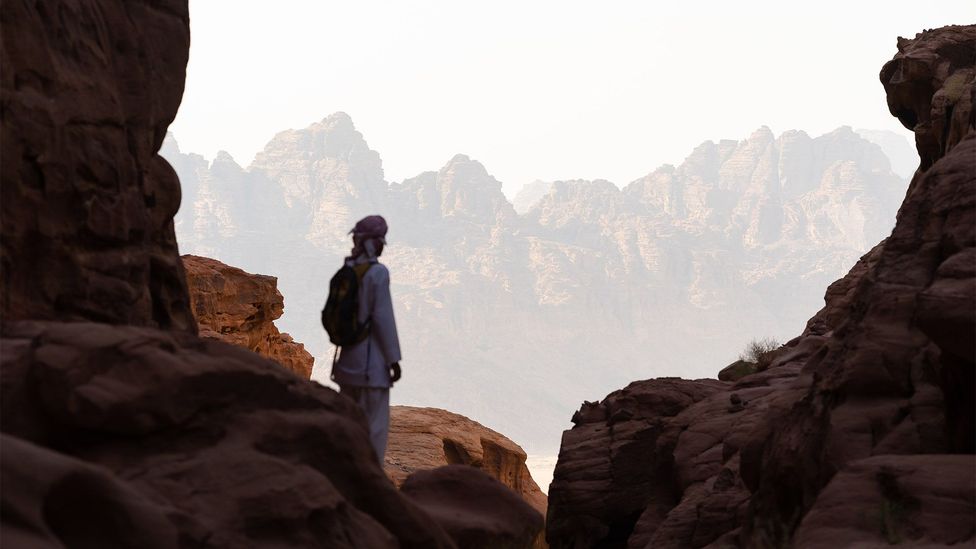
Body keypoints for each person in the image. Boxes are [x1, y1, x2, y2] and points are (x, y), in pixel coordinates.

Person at [331, 215, 402, 462]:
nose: (383, 246)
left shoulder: (347, 270)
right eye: (381, 240)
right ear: (373, 243)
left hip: (347, 364)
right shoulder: (377, 273)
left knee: (350, 427)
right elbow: (384, 319)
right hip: (372, 369)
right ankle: (370, 484)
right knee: (374, 430)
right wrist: (393, 359)